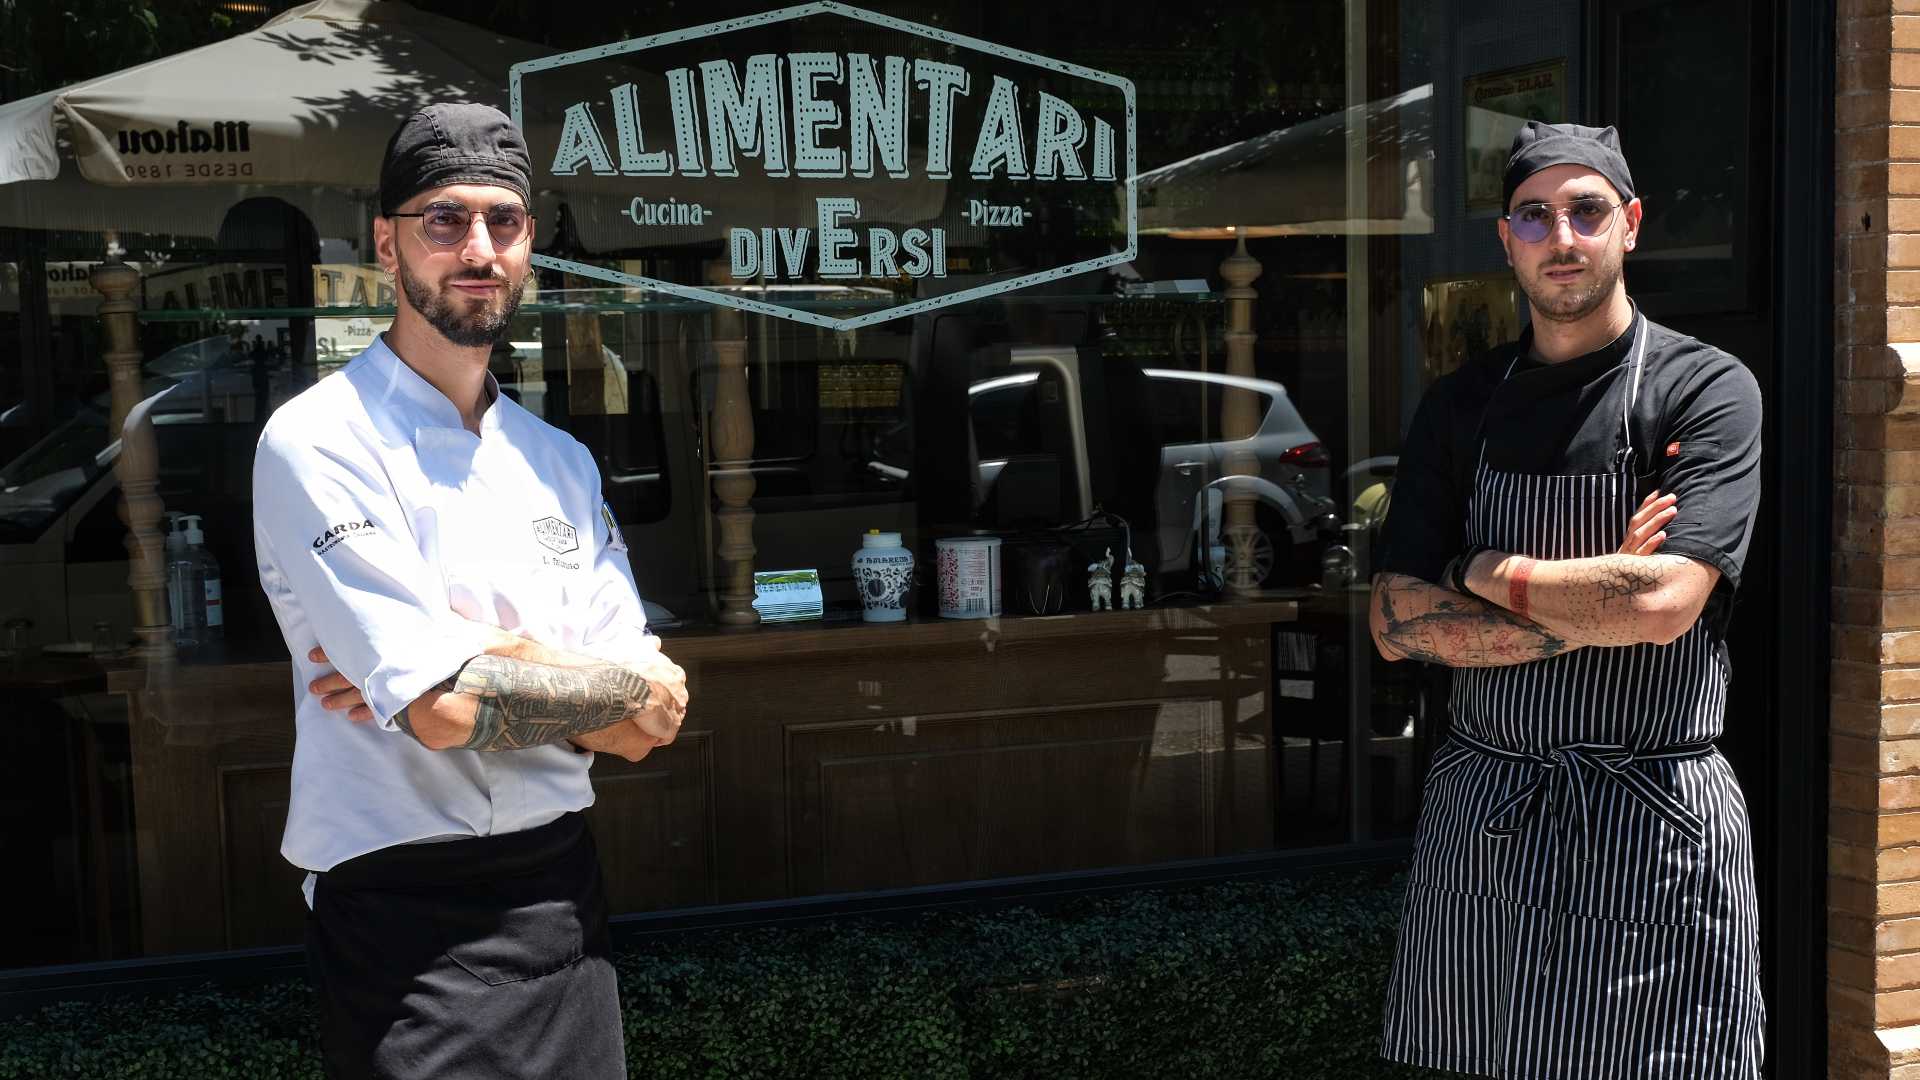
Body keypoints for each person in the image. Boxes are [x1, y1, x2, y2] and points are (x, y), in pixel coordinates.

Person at [251, 102, 688, 1079]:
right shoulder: (318, 440)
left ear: (530, 242)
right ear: (387, 242)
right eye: (444, 220)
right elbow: (447, 710)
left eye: (505, 221)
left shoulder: (560, 461)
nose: (478, 247)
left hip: (564, 906)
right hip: (405, 932)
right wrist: (484, 681)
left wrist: (479, 659)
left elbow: (653, 713)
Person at [1370, 121, 1764, 1077]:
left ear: (1628, 224)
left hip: (1654, 822)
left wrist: (1478, 570)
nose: (1562, 236)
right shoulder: (1460, 405)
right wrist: (1595, 600)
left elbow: (1664, 603)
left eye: (1586, 210)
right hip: (1490, 821)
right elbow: (1391, 622)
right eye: (1535, 216)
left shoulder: (1704, 389)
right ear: (1508, 240)